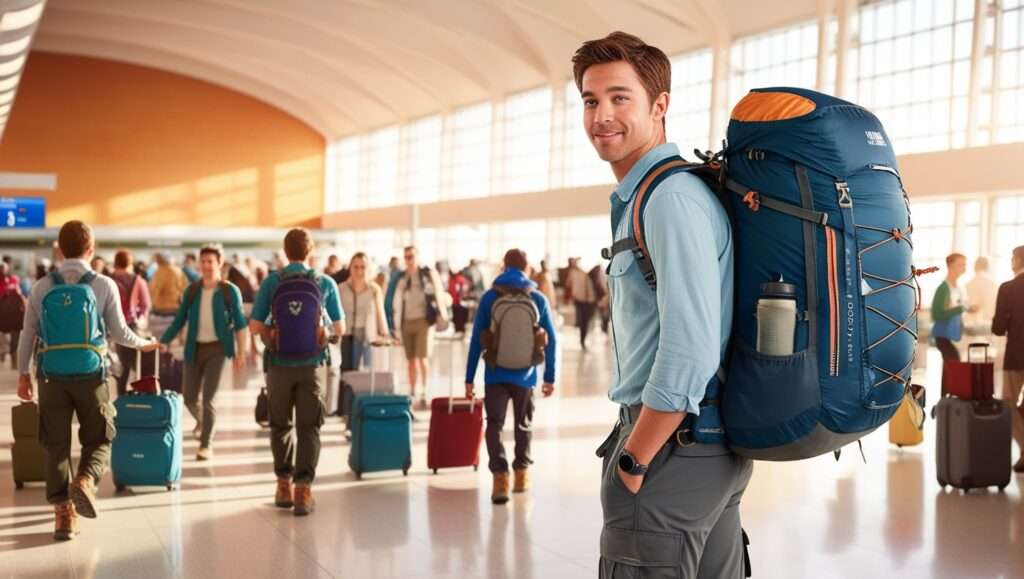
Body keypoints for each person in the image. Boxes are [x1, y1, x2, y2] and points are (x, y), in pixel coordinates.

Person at [573, 31, 753, 577]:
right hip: (707, 448)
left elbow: (689, 348)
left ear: (660, 106)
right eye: (590, 100)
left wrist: (634, 458)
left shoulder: (669, 199)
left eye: (619, 97)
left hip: (671, 452)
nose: (601, 114)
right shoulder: (657, 195)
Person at [16, 220, 160, 541]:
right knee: (99, 437)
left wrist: (24, 374)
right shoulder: (103, 284)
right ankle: (85, 479)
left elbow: (28, 335)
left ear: (60, 249)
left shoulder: (42, 287)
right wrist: (144, 343)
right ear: (91, 249)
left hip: (51, 376)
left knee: (56, 443)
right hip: (91, 375)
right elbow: (121, 333)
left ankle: (63, 517)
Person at [249, 228, 344, 516]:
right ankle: (303, 491)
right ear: (310, 251)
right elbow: (339, 329)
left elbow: (255, 325)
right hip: (313, 366)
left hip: (278, 366)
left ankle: (282, 485)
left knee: (280, 426)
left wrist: (272, 339)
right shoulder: (324, 282)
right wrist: (323, 335)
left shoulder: (272, 283)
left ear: (285, 251)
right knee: (309, 427)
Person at [465, 249, 558, 505]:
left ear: (504, 267)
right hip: (526, 375)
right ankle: (521, 475)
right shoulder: (537, 298)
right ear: (527, 267)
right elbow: (552, 341)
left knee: (494, 424)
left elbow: (476, 341)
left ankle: (500, 477)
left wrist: (469, 378)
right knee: (523, 424)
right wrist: (550, 376)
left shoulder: (489, 297)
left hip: (495, 373)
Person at [160, 245, 249, 461]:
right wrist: (163, 341)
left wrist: (241, 353)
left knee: (209, 399)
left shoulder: (229, 291)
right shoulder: (191, 291)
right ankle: (203, 421)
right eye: (204, 262)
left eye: (211, 261)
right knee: (189, 397)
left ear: (219, 264)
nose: (207, 266)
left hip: (218, 349)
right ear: (199, 264)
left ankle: (206, 443)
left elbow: (240, 323)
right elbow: (179, 320)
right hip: (194, 348)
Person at [392, 246, 449, 407]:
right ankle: (412, 389)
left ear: (417, 257)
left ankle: (424, 389)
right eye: (406, 257)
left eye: (411, 257)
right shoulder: (402, 278)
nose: (409, 260)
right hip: (406, 322)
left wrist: (442, 315)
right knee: (410, 360)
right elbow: (397, 300)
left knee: (423, 358)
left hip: (423, 321)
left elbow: (438, 294)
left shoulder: (427, 275)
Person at [991, 245, 1024, 474]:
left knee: (1009, 406)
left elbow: (998, 329)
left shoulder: (1008, 288)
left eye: (1013, 257)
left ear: (1019, 260)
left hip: (1016, 356)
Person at [110, 249, 153, 396]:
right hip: (133, 327)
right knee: (139, 365)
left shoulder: (109, 280)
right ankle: (139, 397)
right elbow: (146, 305)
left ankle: (121, 399)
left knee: (122, 366)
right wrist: (139, 319)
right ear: (130, 262)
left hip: (114, 327)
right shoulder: (138, 280)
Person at [339, 252, 389, 371]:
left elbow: (380, 314)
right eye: (356, 267)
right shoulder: (341, 288)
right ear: (350, 268)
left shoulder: (374, 289)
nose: (359, 271)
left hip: (367, 336)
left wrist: (384, 334)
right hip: (346, 336)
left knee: (366, 372)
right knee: (347, 373)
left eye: (363, 267)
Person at [932, 253, 978, 364]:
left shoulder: (958, 288)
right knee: (954, 365)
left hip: (953, 335)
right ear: (950, 265)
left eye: (965, 265)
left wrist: (967, 308)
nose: (964, 268)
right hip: (943, 336)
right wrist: (960, 309)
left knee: (950, 369)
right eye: (961, 265)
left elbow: (956, 308)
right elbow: (937, 314)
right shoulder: (943, 288)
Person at [149, 253, 188, 341]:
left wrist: (152, 304)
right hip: (175, 308)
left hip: (160, 309)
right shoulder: (178, 271)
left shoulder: (160, 272)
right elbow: (185, 288)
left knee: (161, 339)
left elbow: (155, 289)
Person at [565, 258, 597, 350]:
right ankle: (582, 339)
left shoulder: (583, 274)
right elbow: (568, 285)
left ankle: (582, 339)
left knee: (584, 320)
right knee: (583, 320)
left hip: (586, 300)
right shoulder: (574, 273)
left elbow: (569, 285)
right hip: (579, 300)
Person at [966, 256, 998, 331]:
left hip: (970, 324)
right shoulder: (993, 284)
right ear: (987, 267)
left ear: (974, 267)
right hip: (988, 324)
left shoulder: (968, 284)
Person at [449, 267, 473, 335]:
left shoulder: (461, 279)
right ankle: (457, 330)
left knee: (460, 318)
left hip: (460, 303)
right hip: (454, 302)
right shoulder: (451, 279)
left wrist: (461, 298)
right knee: (456, 318)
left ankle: (461, 331)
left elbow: (464, 291)